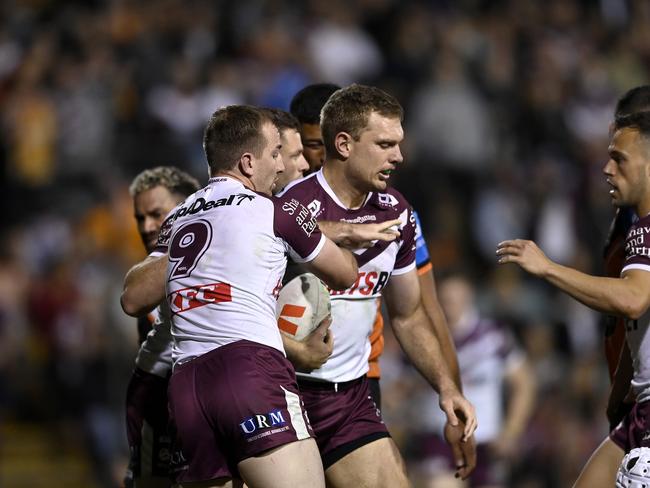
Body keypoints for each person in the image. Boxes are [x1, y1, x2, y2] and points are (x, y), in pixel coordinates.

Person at [122, 105, 359, 488]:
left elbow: (132, 297)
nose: (282, 166)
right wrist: (347, 236)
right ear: (249, 163)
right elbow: (346, 274)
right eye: (276, 153)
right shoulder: (277, 210)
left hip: (186, 388)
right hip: (249, 370)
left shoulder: (180, 217)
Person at [277, 83, 477, 488]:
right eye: (385, 144)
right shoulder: (287, 205)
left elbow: (410, 314)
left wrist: (446, 389)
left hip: (349, 398)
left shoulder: (397, 213)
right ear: (345, 144)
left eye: (399, 144)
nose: (399, 157)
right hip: (280, 393)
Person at [496, 110, 650, 488]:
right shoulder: (635, 227)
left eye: (619, 158)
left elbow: (633, 299)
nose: (607, 169)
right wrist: (623, 388)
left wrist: (548, 268)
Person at [411, 272, 536, 488]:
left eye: (456, 298)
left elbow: (524, 383)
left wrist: (511, 431)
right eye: (446, 299)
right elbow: (405, 385)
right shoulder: (425, 338)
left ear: (469, 296)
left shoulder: (493, 337)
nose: (451, 305)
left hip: (486, 441)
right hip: (438, 439)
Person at [124, 166, 201, 488]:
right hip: (160, 423)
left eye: (157, 214)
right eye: (140, 218)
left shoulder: (217, 269)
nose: (147, 226)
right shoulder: (142, 282)